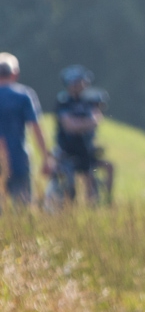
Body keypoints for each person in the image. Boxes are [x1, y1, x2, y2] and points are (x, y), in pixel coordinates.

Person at [54, 65, 112, 203]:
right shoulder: (63, 101)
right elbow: (69, 126)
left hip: (86, 148)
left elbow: (96, 119)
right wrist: (86, 123)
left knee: (95, 174)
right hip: (67, 150)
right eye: (77, 82)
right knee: (68, 182)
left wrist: (78, 124)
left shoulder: (91, 100)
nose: (81, 85)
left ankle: (103, 203)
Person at [0, 53, 52, 207]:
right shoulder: (23, 96)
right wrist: (46, 157)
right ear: (15, 73)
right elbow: (36, 128)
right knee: (22, 207)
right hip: (18, 157)